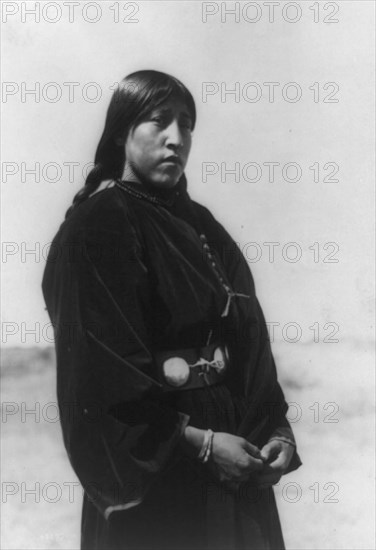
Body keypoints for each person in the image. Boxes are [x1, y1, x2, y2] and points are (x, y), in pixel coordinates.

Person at [42, 70, 302, 550]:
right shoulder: (96, 229)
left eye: (186, 125)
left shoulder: (203, 226)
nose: (176, 139)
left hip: (236, 455)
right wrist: (201, 445)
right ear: (122, 132)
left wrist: (276, 429)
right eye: (159, 122)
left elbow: (249, 339)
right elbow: (100, 378)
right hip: (162, 470)